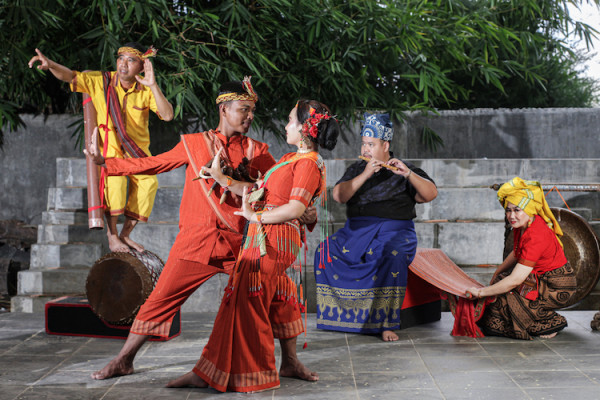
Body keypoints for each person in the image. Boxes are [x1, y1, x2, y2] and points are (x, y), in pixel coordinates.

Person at [84, 78, 316, 382]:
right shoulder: (193, 145)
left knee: (281, 290)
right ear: (223, 108)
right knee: (160, 299)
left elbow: (281, 188)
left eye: (251, 111)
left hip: (241, 241)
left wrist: (306, 211)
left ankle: (290, 362)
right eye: (243, 110)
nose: (249, 117)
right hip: (196, 240)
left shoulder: (258, 151)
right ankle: (124, 360)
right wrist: (107, 164)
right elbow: (153, 164)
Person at [166, 99, 340, 392]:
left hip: (271, 242)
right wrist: (222, 179)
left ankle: (251, 376)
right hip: (265, 239)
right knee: (247, 299)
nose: (285, 125)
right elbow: (259, 191)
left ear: (304, 128)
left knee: (247, 304)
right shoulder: (291, 159)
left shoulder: (308, 163)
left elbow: (296, 207)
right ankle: (212, 370)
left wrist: (253, 215)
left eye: (289, 121)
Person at [28, 44, 174, 253]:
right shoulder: (101, 81)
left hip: (136, 153)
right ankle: (112, 235)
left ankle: (125, 235)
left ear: (142, 67)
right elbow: (70, 76)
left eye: (131, 60)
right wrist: (50, 64)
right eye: (120, 58)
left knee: (149, 184)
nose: (123, 64)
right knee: (115, 188)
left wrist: (153, 85)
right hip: (110, 153)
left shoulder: (145, 90)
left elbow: (168, 115)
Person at [314, 113, 437, 342]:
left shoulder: (404, 168)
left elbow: (430, 194)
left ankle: (385, 322)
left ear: (385, 145)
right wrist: (365, 173)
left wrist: (408, 174)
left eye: (371, 144)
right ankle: (342, 316)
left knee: (393, 254)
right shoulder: (357, 169)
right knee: (324, 250)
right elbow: (339, 196)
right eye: (364, 143)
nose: (366, 148)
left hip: (396, 232)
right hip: (357, 232)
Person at [465, 177, 577, 340]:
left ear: (530, 209)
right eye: (508, 210)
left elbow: (515, 280)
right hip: (540, 279)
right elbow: (517, 253)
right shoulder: (522, 225)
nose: (511, 215)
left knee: (507, 295)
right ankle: (533, 319)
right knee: (498, 291)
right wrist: (498, 272)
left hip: (557, 286)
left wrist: (481, 292)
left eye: (517, 210)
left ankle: (551, 322)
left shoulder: (536, 234)